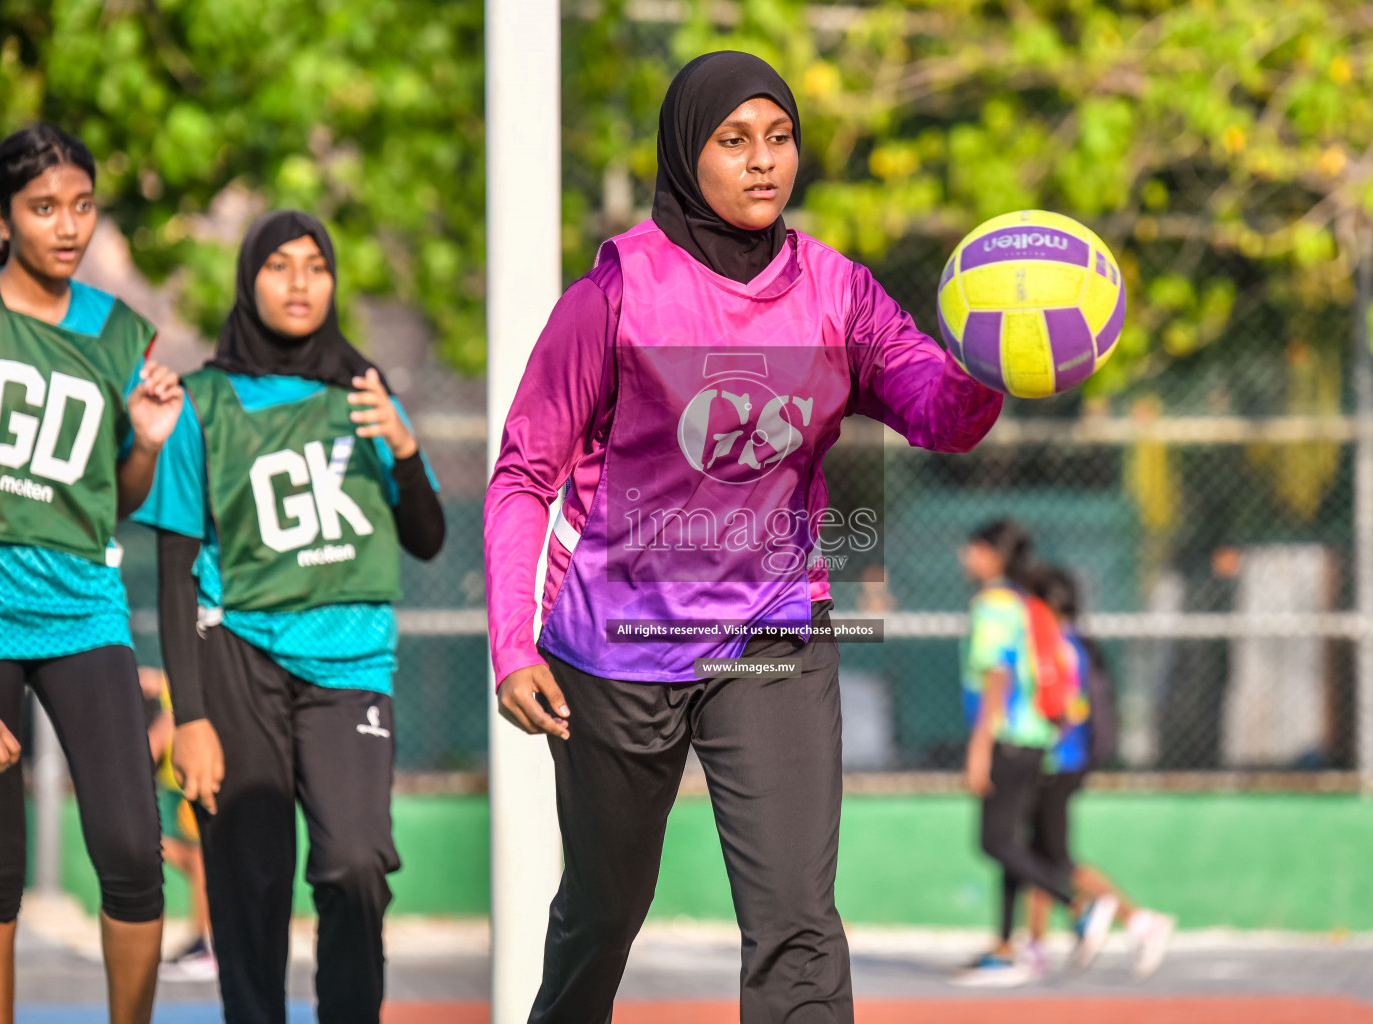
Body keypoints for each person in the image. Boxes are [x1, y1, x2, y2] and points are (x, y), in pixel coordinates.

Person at [485, 50, 1006, 1024]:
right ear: (688, 154)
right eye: (734, 141)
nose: (764, 161)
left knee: (799, 926)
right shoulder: (614, 293)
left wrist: (991, 358)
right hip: (617, 645)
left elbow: (937, 412)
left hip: (773, 631)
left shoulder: (836, 292)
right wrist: (514, 644)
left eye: (780, 138)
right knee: (602, 913)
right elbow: (522, 478)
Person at [133, 211, 446, 1024]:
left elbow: (426, 539)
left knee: (352, 867)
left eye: (316, 266)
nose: (301, 282)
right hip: (238, 656)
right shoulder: (203, 404)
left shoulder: (364, 393)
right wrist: (190, 716)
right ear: (248, 281)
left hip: (349, 667)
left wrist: (407, 455)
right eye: (279, 266)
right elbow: (174, 571)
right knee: (250, 885)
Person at [0, 123, 182, 1024]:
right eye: (43, 207)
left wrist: (142, 440)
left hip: (84, 610)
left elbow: (122, 500)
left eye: (83, 206)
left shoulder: (119, 332)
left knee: (135, 852)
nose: (69, 226)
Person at [952, 521, 1119, 988]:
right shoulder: (1028, 604)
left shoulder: (993, 606)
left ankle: (1078, 905)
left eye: (972, 549)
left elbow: (997, 676)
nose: (965, 559)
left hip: (1007, 737)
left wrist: (979, 746)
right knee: (1012, 843)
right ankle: (1007, 946)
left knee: (993, 841)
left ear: (990, 554)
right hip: (1035, 738)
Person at [1025, 564, 1175, 981]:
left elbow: (1065, 707)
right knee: (1039, 854)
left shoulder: (1060, 644)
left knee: (1053, 860)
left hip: (1057, 761)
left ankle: (1138, 920)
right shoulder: (1076, 642)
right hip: (1065, 761)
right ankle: (1034, 945)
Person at [137, 666, 216, 982]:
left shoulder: (176, 710)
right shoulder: (176, 689)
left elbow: (152, 745)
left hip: (188, 788)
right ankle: (205, 942)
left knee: (200, 863)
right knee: (197, 863)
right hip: (178, 789)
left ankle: (206, 943)